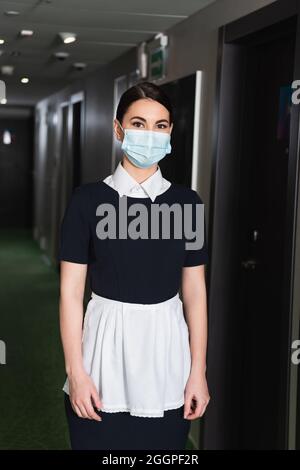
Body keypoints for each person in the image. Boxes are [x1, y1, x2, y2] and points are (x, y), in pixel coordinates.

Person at [58, 81, 210, 450]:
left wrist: (198, 372)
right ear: (118, 129)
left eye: (160, 126)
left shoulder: (187, 203)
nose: (149, 134)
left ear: (170, 131)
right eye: (138, 123)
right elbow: (70, 292)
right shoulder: (88, 201)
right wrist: (76, 372)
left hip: (167, 358)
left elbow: (195, 292)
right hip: (102, 357)